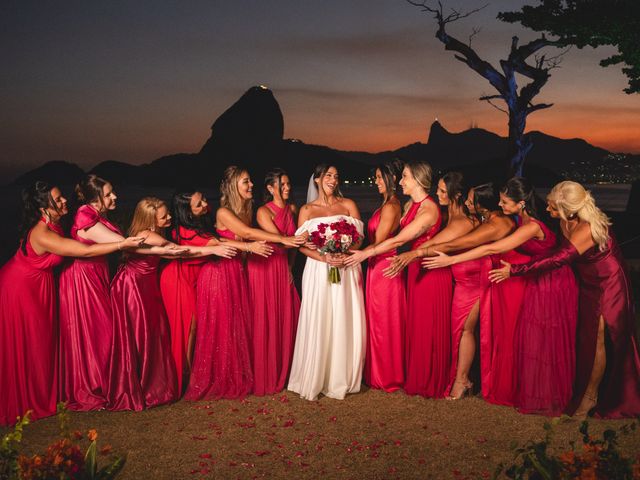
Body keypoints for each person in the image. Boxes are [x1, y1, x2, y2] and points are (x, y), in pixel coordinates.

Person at [425, 177, 578, 415]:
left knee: (544, 339)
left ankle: (547, 394)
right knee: (524, 336)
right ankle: (525, 388)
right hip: (528, 278)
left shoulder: (531, 226)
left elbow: (492, 248)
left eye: (505, 201)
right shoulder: (519, 220)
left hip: (550, 282)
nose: (500, 203)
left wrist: (451, 259)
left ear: (521, 204)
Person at [489, 180, 640, 418]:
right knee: (585, 336)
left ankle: (592, 398)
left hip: (608, 282)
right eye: (549, 205)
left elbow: (557, 259)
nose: (548, 211)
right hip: (587, 281)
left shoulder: (586, 229)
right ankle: (582, 390)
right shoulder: (565, 220)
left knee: (600, 338)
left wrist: (515, 271)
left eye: (553, 208)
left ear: (569, 209)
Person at [0, 181, 142, 425]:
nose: (64, 200)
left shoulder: (53, 224)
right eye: (57, 199)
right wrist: (122, 244)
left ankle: (43, 395)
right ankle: (29, 399)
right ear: (44, 208)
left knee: (43, 343)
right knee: (32, 343)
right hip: (20, 288)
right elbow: (82, 251)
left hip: (38, 286)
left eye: (61, 196)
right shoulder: (42, 233)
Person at [384, 182, 528, 404]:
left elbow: (462, 243)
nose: (468, 203)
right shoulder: (483, 220)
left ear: (483, 205)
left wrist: (418, 253)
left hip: (479, 282)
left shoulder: (497, 224)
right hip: (466, 282)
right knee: (459, 332)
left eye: (471, 200)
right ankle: (464, 377)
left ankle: (462, 381)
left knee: (465, 330)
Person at [185, 166, 304, 400]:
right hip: (219, 274)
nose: (251, 185)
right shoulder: (224, 212)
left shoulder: (245, 210)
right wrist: (283, 239)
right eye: (245, 182)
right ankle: (219, 377)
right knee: (223, 328)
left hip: (237, 272)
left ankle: (238, 375)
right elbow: (247, 234)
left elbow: (238, 238)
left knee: (238, 326)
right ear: (233, 187)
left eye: (250, 181)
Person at [108, 197, 237, 410]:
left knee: (151, 334)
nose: (169, 217)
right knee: (140, 334)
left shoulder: (155, 233)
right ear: (150, 221)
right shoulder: (149, 235)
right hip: (132, 285)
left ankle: (146, 382)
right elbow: (180, 251)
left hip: (146, 284)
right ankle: (138, 385)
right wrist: (213, 250)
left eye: (168, 213)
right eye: (164, 216)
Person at [58, 175, 174, 411]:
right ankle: (94, 389)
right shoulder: (85, 216)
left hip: (97, 274)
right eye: (109, 194)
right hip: (84, 278)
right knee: (97, 333)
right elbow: (122, 242)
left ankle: (105, 384)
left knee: (103, 332)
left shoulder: (96, 215)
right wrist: (163, 247)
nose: (115, 197)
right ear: (96, 197)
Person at [346, 162, 452, 398]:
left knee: (426, 326)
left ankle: (427, 379)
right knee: (413, 325)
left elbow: (397, 240)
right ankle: (410, 374)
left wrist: (366, 253)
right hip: (412, 267)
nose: (401, 181)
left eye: (404, 177)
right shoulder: (411, 205)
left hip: (428, 270)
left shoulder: (428, 210)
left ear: (417, 179)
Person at [160, 189, 272, 394]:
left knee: (197, 326)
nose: (204, 204)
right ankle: (182, 380)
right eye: (198, 204)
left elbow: (217, 240)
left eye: (203, 198)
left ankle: (188, 374)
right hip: (179, 278)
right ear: (187, 212)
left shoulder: (199, 223)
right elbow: (216, 243)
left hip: (196, 275)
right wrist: (249, 247)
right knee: (187, 328)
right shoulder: (182, 231)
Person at [288, 164, 366, 400]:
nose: (333, 179)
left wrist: (345, 251)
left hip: (346, 267)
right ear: (318, 179)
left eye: (336, 176)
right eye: (328, 176)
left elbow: (360, 239)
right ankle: (316, 374)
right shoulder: (307, 210)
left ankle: (342, 375)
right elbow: (301, 245)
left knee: (344, 316)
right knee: (320, 316)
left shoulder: (349, 205)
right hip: (319, 270)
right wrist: (324, 256)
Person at [247, 169, 301, 395]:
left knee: (289, 314)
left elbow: (293, 248)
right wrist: (305, 241)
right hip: (265, 266)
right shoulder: (263, 211)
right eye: (282, 184)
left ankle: (290, 370)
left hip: (282, 266)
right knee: (267, 316)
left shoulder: (293, 209)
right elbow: (280, 242)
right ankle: (268, 371)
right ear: (270, 188)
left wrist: (290, 267)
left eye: (288, 183)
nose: (287, 188)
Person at [361, 161, 405, 392]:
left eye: (380, 177)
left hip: (384, 268)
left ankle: (386, 374)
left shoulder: (391, 207)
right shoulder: (386, 204)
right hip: (376, 266)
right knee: (377, 320)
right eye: (376, 177)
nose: (376, 181)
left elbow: (378, 243)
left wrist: (351, 252)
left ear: (392, 180)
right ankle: (377, 371)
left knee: (384, 321)